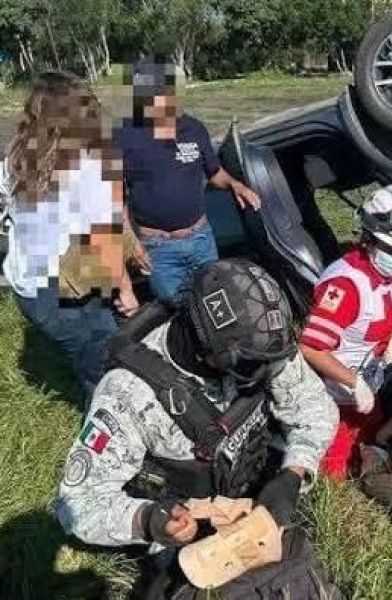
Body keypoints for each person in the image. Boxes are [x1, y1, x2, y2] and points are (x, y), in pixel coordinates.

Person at [54, 259, 337, 560]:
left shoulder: (259, 347)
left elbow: (316, 407)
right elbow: (77, 504)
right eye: (247, 366)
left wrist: (294, 473)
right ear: (204, 349)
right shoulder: (127, 395)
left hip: (251, 487)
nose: (266, 371)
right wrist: (148, 520)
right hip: (188, 525)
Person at [2, 71, 138, 400]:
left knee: (86, 352)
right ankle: (103, 430)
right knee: (108, 363)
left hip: (30, 289)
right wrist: (127, 292)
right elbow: (106, 240)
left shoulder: (16, 159)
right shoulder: (90, 166)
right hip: (66, 282)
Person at [299, 184, 392, 478]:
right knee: (336, 474)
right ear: (368, 239)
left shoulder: (384, 274)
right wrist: (354, 383)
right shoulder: (346, 285)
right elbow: (311, 347)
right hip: (335, 398)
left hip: (366, 389)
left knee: (389, 446)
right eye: (391, 250)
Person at [115, 59, 261, 304]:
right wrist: (132, 242)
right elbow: (115, 197)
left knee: (216, 305)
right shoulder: (122, 136)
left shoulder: (194, 129)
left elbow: (214, 172)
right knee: (176, 309)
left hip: (201, 239)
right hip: (158, 248)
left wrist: (236, 185)